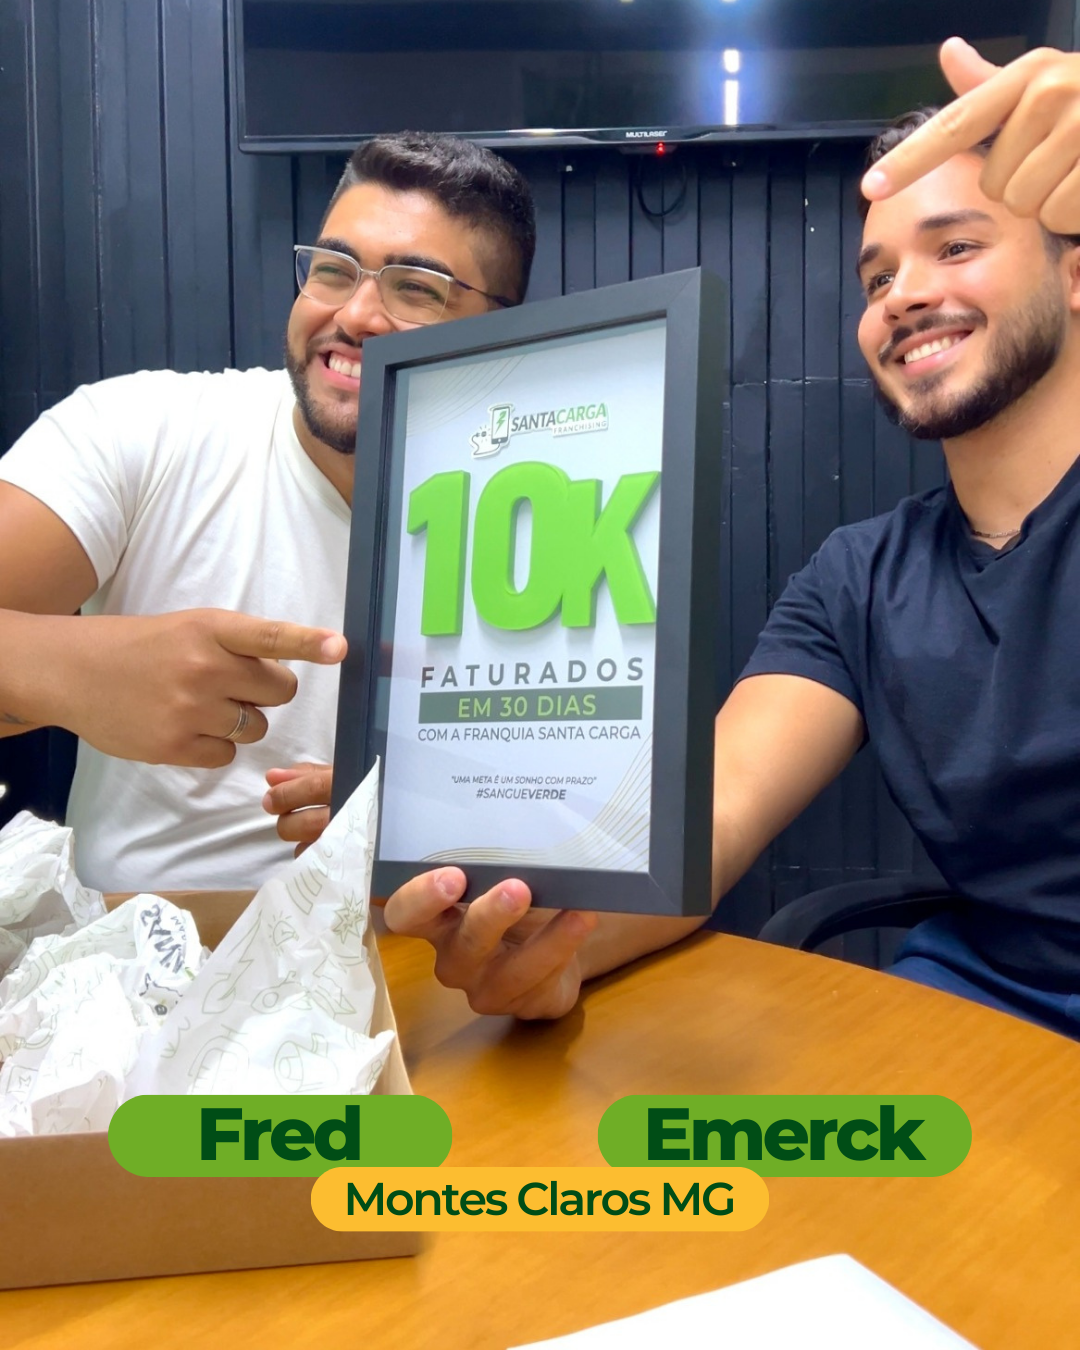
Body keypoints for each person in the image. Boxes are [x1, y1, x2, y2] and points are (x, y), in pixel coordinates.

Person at [268, 40, 1080, 1035]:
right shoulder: (859, 581)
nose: (902, 296)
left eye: (954, 249)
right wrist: (555, 950)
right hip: (979, 1017)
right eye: (876, 279)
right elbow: (711, 819)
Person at [0, 132, 536, 893]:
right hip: (149, 950)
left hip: (424, 946)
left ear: (501, 329)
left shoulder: (557, 510)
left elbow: (628, 808)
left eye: (416, 289)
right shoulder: (140, 433)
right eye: (333, 270)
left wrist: (443, 814)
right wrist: (75, 674)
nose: (355, 315)